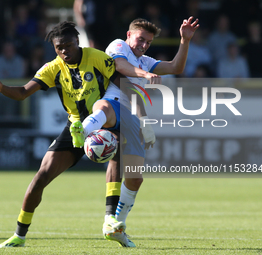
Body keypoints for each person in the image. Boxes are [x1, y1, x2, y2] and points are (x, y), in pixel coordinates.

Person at [0, 21, 130, 248]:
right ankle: (19, 235)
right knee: (41, 177)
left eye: (68, 45)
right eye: (58, 47)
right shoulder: (52, 68)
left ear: (77, 42)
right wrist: (2, 88)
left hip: (104, 120)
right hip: (75, 126)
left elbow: (121, 83)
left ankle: (110, 221)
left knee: (117, 151)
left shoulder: (96, 57)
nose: (64, 51)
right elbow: (24, 92)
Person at [70, 17, 199, 247]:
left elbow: (176, 67)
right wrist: (145, 75)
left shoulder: (145, 60)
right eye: (141, 39)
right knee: (106, 106)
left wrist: (184, 41)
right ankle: (82, 130)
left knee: (135, 178)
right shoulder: (118, 46)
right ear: (129, 35)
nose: (144, 45)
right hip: (114, 105)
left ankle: (116, 226)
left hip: (134, 120)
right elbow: (120, 67)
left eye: (148, 42)